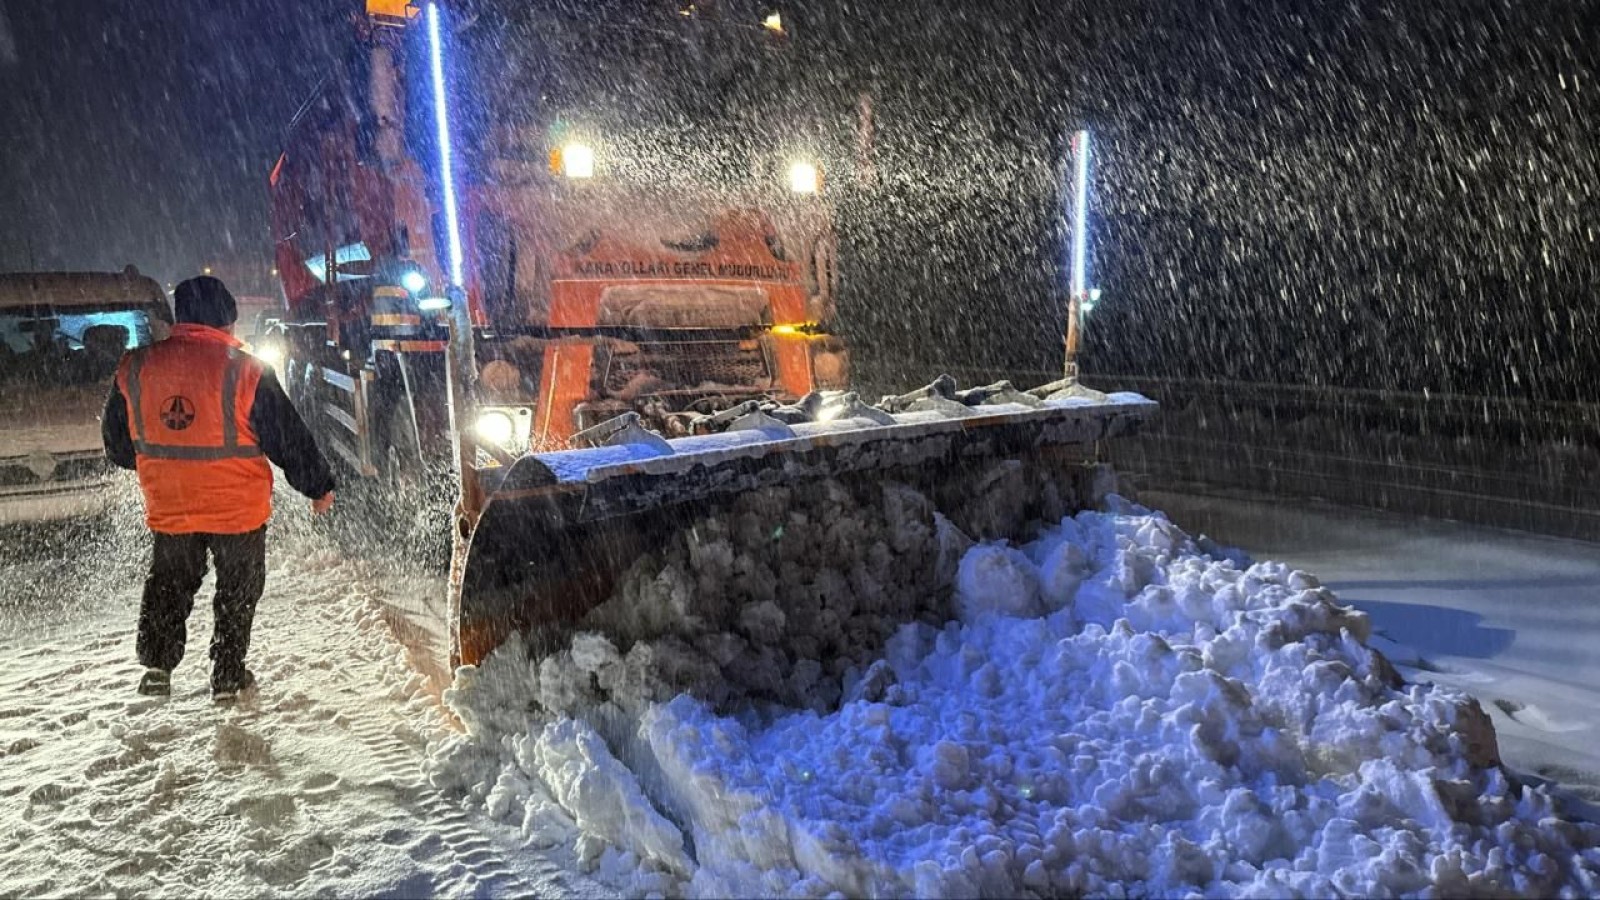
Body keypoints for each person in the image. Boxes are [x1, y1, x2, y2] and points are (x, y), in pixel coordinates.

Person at [102, 276, 335, 701]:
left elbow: (118, 447)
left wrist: (168, 467)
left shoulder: (135, 368)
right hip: (237, 511)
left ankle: (157, 668)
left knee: (169, 583)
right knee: (238, 590)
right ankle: (227, 675)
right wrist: (317, 486)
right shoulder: (246, 370)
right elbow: (287, 439)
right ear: (227, 320)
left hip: (171, 507)